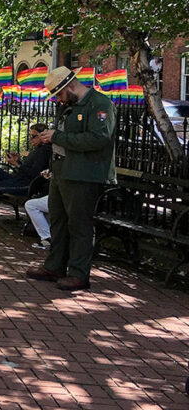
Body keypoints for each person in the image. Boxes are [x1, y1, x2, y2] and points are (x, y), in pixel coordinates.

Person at [27, 66, 116, 292]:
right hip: (62, 171)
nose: (57, 99)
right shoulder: (69, 106)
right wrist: (49, 137)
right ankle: (55, 265)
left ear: (70, 86)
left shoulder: (99, 104)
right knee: (58, 221)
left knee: (79, 224)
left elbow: (99, 138)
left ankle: (78, 273)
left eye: (59, 94)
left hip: (83, 174)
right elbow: (66, 135)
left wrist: (58, 137)